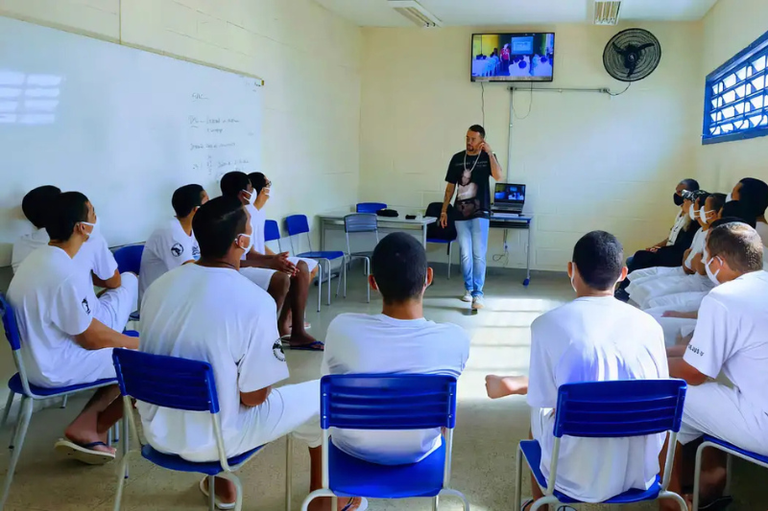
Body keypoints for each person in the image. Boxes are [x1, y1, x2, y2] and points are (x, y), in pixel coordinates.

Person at [138, 197, 363, 511]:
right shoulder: (253, 301)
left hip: (157, 432)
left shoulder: (159, 287)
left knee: (214, 383)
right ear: (241, 242)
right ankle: (326, 503)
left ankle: (222, 486)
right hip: (217, 441)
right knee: (321, 397)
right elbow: (255, 397)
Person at [485, 231, 668, 508]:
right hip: (640, 473)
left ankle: (545, 504)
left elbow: (545, 398)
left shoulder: (547, 325)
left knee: (539, 409)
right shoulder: (650, 326)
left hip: (572, 478)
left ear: (571, 270)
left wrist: (518, 384)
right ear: (623, 273)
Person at [7, 192, 139, 464]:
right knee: (147, 359)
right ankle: (92, 428)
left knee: (129, 353)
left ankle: (87, 424)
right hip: (55, 368)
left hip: (33, 363)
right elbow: (90, 339)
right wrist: (134, 342)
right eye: (92, 213)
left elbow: (84, 328)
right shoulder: (63, 272)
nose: (95, 218)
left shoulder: (40, 258)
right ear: (81, 227)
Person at [322, 232, 470, 465]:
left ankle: (338, 500)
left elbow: (328, 391)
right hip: (419, 453)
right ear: (428, 277)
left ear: (373, 283)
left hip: (351, 449)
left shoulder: (342, 328)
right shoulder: (456, 338)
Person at [663, 222, 768, 510]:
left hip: (762, 423)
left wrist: (651, 362)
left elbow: (695, 373)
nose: (704, 263)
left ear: (718, 262)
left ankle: (670, 503)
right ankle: (708, 483)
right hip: (758, 405)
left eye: (707, 257)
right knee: (691, 408)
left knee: (669, 395)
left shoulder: (724, 298)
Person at [12, 186, 138, 332]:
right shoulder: (84, 239)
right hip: (78, 327)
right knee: (129, 279)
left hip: (38, 326)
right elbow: (113, 282)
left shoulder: (21, 245)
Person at [247, 172, 320, 349]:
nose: (270, 188)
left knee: (310, 266)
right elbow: (248, 251)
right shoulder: (247, 213)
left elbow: (259, 244)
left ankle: (287, 320)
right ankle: (282, 325)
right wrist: (272, 260)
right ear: (261, 189)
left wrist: (277, 257)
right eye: (268, 184)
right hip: (250, 263)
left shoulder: (259, 212)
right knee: (291, 273)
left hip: (260, 258)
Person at [219, 172, 295, 323]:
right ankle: (267, 325)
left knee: (297, 268)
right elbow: (232, 261)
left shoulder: (245, 213)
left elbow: (250, 251)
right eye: (251, 188)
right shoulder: (229, 218)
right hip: (232, 269)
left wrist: (274, 258)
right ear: (244, 193)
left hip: (244, 264)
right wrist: (268, 262)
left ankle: (286, 326)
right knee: (281, 279)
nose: (253, 192)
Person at [439, 125, 502, 310]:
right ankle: (469, 288)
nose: (469, 142)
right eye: (467, 138)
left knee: (478, 254)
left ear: (481, 140)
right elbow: (450, 187)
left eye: (473, 139)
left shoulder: (486, 157)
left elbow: (498, 176)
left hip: (480, 212)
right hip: (460, 213)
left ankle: (478, 294)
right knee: (465, 254)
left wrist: (490, 153)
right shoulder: (458, 158)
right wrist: (444, 210)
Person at [628, 193, 726, 309]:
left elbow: (695, 267)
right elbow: (689, 261)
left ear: (713, 214)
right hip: (686, 273)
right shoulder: (701, 231)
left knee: (651, 299)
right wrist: (689, 260)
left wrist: (689, 260)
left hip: (698, 283)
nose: (695, 208)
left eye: (701, 206)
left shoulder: (712, 235)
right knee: (637, 282)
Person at [616, 179, 701, 300]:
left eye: (680, 192)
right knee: (635, 258)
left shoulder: (692, 220)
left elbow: (682, 247)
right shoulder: (680, 214)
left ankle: (622, 293)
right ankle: (623, 290)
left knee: (639, 257)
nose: (677, 195)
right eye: (676, 192)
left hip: (675, 257)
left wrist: (660, 251)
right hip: (668, 251)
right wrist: (657, 246)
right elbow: (671, 237)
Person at [138, 184, 208, 301]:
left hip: (178, 293)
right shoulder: (170, 232)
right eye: (208, 204)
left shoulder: (193, 228)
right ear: (196, 210)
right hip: (160, 303)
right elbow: (191, 271)